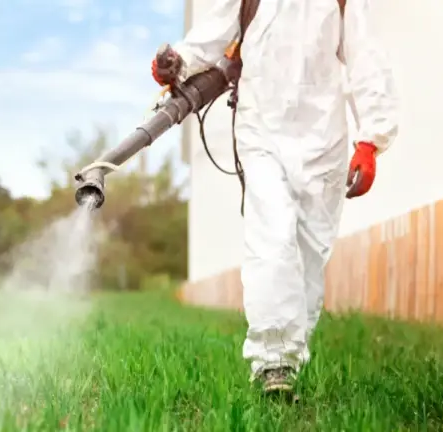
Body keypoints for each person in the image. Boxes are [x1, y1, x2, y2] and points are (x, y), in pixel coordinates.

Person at [151, 0, 399, 394]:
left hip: (323, 141)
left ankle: (290, 355)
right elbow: (212, 33)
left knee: (308, 256)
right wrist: (175, 61)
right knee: (272, 236)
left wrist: (372, 138)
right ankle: (274, 364)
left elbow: (364, 55)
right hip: (261, 129)